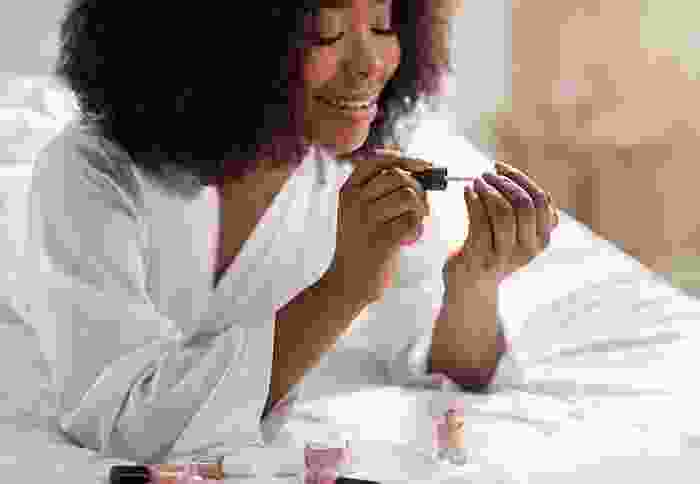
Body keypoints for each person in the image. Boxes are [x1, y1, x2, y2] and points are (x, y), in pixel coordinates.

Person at [14, 0, 559, 463]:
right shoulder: (88, 173)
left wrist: (472, 285)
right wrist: (343, 290)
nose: (370, 64)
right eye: (327, 32)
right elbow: (126, 418)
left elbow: (448, 364)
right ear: (225, 39)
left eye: (383, 25)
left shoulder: (353, 169)